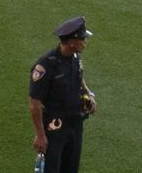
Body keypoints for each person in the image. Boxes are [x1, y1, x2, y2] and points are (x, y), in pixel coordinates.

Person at [29, 17, 97, 172]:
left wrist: (89, 94)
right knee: (52, 169)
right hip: (55, 127)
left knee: (71, 168)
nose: (85, 41)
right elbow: (34, 103)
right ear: (72, 42)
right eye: (83, 38)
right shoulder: (46, 66)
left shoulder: (75, 57)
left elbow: (79, 76)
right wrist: (40, 135)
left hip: (75, 124)